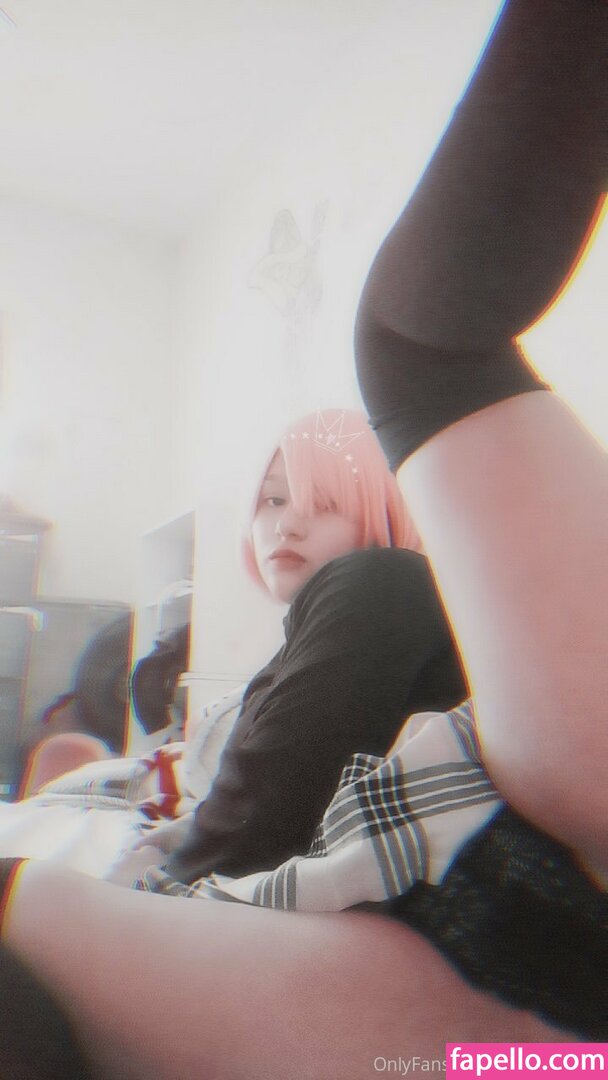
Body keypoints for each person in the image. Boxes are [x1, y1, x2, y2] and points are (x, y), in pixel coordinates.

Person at [0, 0, 605, 1075]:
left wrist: (153, 874)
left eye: (310, 496)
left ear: (375, 496)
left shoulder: (378, 584)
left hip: (463, 987)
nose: (279, 521)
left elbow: (243, 825)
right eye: (267, 500)